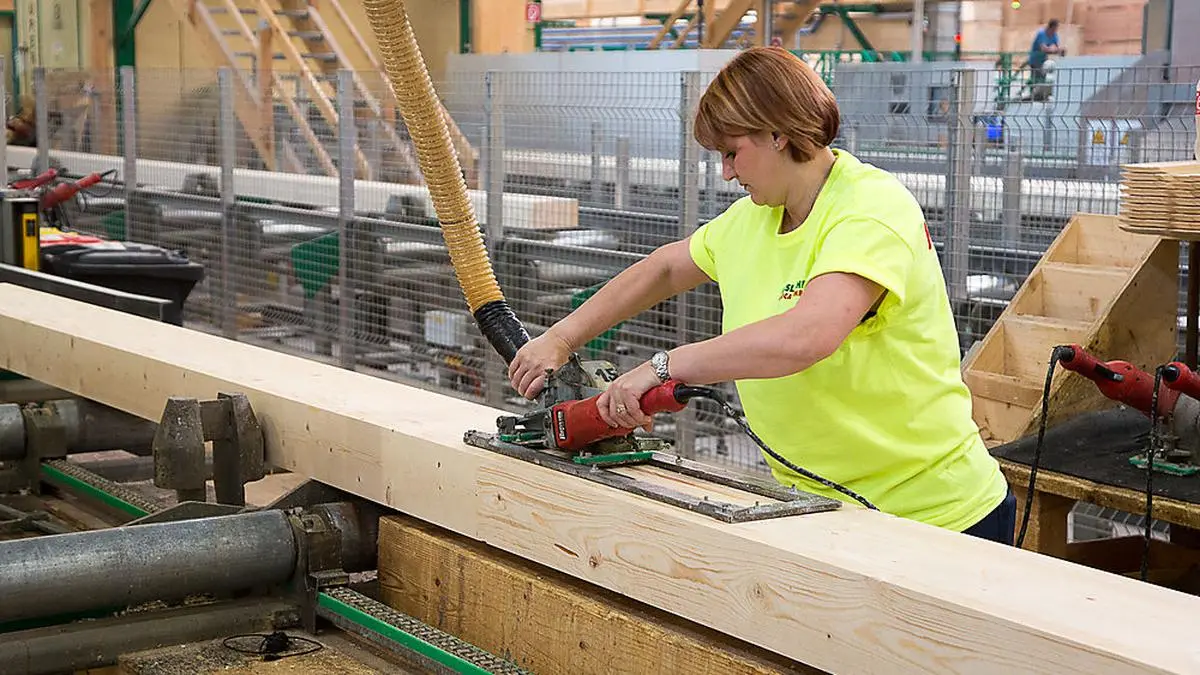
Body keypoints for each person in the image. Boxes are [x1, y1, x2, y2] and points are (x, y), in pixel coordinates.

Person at [506, 47, 1015, 544]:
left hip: (933, 518)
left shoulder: (870, 208)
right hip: (823, 508)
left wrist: (665, 367)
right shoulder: (757, 217)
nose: (726, 172)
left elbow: (807, 336)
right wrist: (562, 337)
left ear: (778, 133)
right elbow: (663, 269)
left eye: (732, 152)